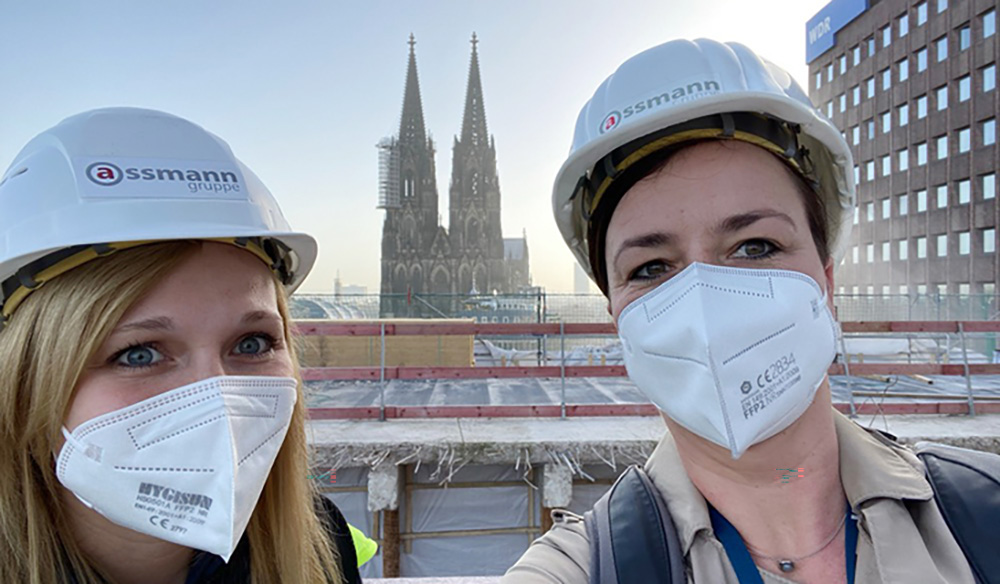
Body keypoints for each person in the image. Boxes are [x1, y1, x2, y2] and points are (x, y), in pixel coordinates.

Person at [503, 39, 978, 583]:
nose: (705, 304)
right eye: (651, 269)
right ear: (617, 318)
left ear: (825, 282)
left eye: (755, 246)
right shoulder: (583, 568)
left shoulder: (981, 518)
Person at [0, 107, 361, 584]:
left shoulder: (320, 543)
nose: (216, 397)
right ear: (25, 383)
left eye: (252, 343)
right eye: (139, 353)